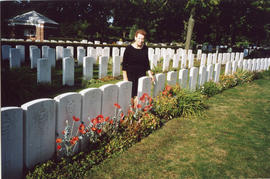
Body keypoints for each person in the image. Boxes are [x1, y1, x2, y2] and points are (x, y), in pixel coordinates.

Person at [122, 29, 155, 101]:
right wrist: (125, 78)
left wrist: (150, 74)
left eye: (142, 39)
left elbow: (146, 62)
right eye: (139, 38)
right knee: (130, 96)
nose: (140, 40)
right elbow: (124, 65)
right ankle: (130, 111)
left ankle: (137, 111)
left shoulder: (145, 48)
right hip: (131, 75)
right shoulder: (129, 49)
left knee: (139, 95)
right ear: (135, 38)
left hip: (141, 75)